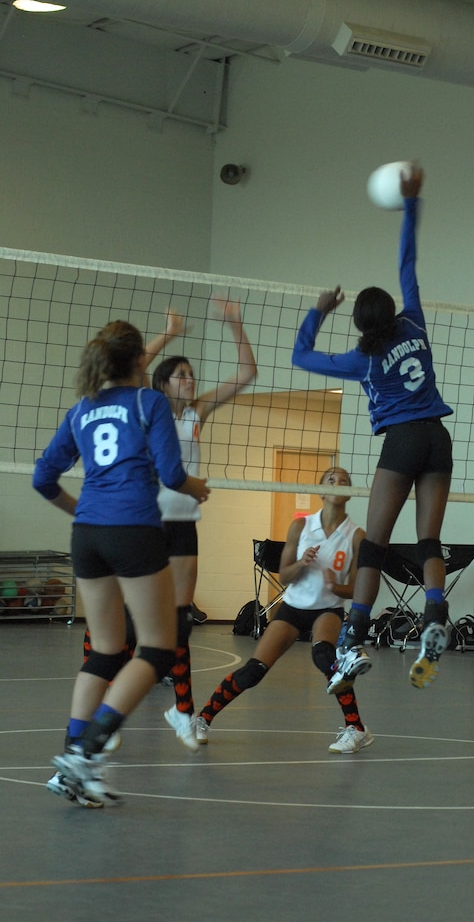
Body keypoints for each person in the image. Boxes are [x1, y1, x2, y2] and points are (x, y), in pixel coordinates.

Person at [33, 320, 210, 807]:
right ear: (140, 362)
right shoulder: (148, 402)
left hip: (87, 535)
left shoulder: (81, 410)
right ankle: (86, 754)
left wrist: (84, 513)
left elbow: (42, 478)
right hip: (133, 531)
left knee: (106, 651)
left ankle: (72, 757)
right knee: (156, 649)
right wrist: (195, 487)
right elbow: (172, 475)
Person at [291, 165, 454, 692]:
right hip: (439, 437)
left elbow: (300, 356)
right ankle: (435, 616)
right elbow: (408, 260)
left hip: (403, 440)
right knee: (429, 539)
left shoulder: (360, 360)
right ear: (392, 312)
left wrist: (318, 311)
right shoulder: (415, 323)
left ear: (362, 324)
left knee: (376, 544)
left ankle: (351, 636)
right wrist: (411, 203)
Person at [196, 467, 373, 753]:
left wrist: (334, 586)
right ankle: (202, 719)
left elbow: (355, 589)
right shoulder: (301, 526)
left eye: (343, 481)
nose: (337, 483)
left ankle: (356, 728)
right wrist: (302, 563)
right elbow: (284, 577)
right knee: (254, 670)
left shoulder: (355, 535)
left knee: (324, 656)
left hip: (327, 609)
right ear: (321, 490)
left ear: (349, 493)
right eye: (331, 479)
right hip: (293, 608)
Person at [145, 299, 257, 750]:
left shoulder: (198, 412)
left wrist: (235, 323)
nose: (190, 380)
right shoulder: (149, 406)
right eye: (182, 374)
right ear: (163, 384)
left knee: (180, 620)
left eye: (192, 374)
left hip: (184, 523)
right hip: (146, 523)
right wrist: (169, 332)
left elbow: (247, 372)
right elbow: (135, 366)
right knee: (140, 621)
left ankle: (184, 710)